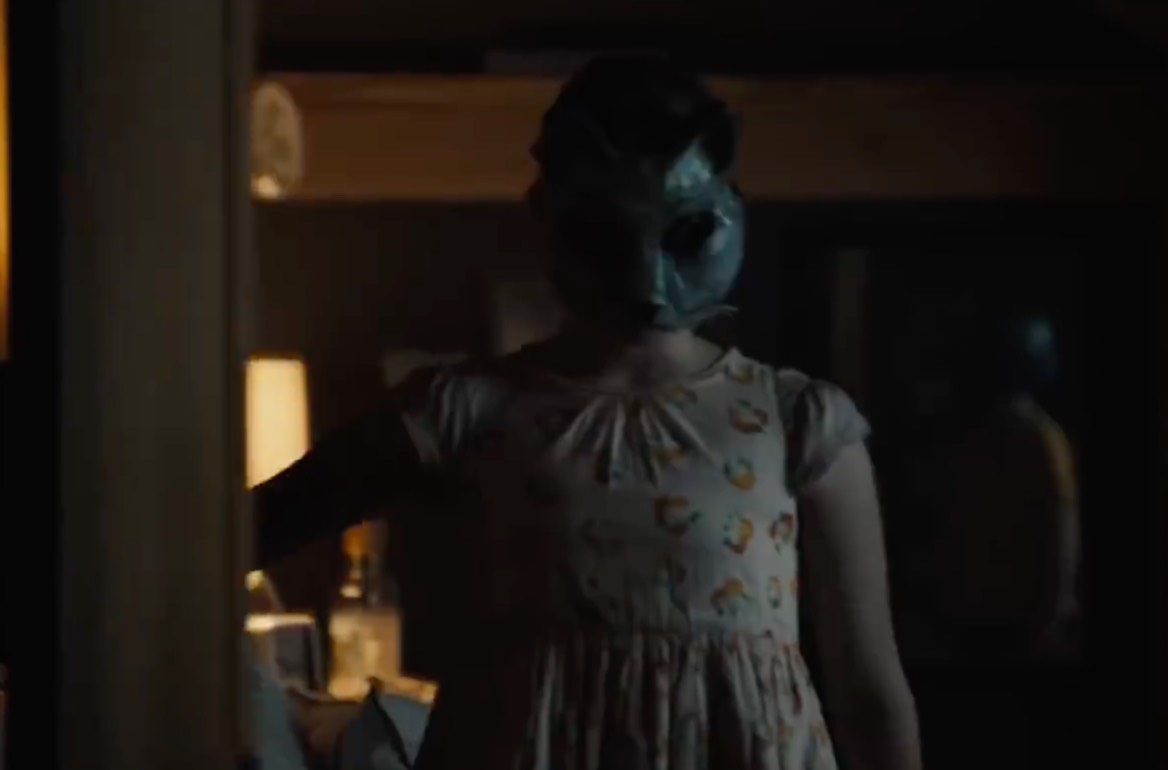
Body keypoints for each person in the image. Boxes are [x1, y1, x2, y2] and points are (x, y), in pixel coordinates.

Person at [254, 55, 921, 770]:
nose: (646, 279)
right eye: (605, 236)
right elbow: (247, 531)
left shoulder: (799, 424)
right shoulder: (466, 410)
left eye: (685, 232)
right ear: (552, 218)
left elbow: (868, 690)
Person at [938, 312, 1082, 662]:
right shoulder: (1045, 439)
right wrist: (1057, 609)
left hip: (977, 616)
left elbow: (956, 527)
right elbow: (1061, 529)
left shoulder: (974, 441)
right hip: (1024, 621)